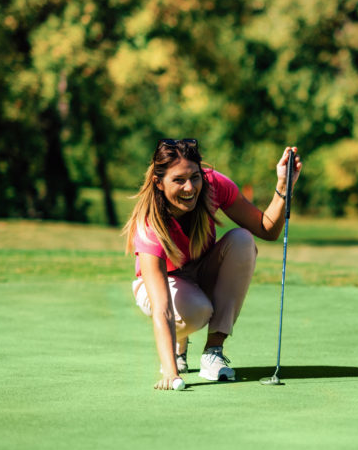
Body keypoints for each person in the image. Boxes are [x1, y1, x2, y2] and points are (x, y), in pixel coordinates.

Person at [123, 138, 301, 390]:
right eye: (178, 180)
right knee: (197, 310)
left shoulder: (213, 184)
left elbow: (267, 229)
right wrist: (171, 374)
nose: (189, 187)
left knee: (242, 240)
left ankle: (213, 353)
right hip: (159, 289)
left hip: (200, 275)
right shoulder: (149, 225)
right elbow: (162, 308)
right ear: (158, 183)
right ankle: (177, 348)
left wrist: (284, 185)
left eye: (194, 177)